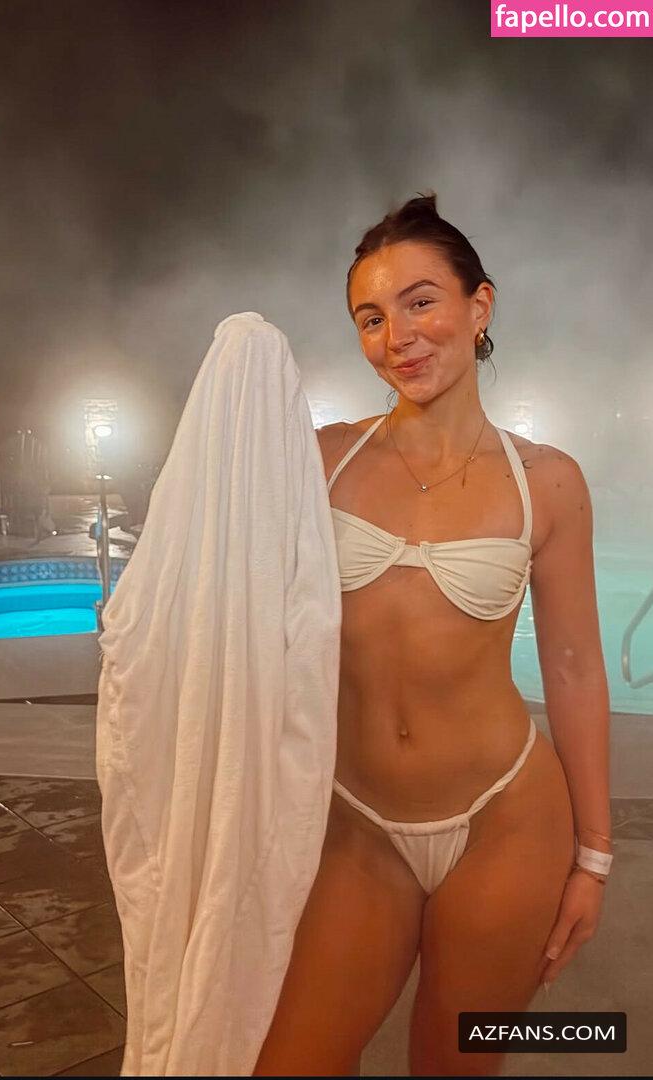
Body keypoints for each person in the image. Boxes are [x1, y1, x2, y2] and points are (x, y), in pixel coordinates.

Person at [252, 194, 612, 1077]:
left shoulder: (546, 481)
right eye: (371, 318)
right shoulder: (319, 460)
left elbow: (572, 666)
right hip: (356, 823)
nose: (397, 337)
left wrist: (592, 860)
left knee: (457, 1065)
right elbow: (235, 616)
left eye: (420, 302)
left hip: (506, 823)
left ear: (478, 306)